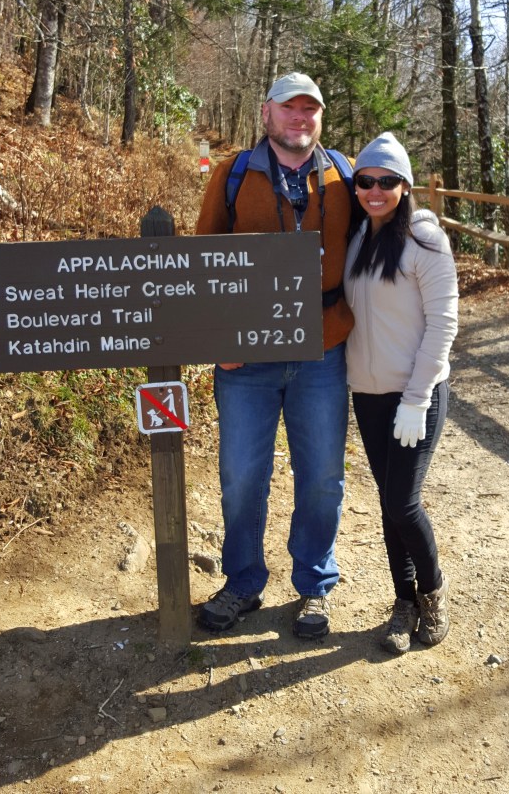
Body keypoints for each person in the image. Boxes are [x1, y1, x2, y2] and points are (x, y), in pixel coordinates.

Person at [195, 73, 353, 639]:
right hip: (247, 360)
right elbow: (202, 261)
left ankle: (313, 585)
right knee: (241, 478)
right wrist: (217, 338)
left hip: (322, 353)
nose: (300, 118)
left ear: (320, 119)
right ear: (267, 114)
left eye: (310, 109)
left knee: (322, 480)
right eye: (289, 108)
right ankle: (242, 582)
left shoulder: (344, 174)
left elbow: (382, 237)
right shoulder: (234, 174)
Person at [344, 132, 458, 654]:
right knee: (390, 505)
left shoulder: (426, 241)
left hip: (415, 395)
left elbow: (443, 325)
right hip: (368, 395)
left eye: (387, 181)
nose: (375, 189)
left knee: (401, 502)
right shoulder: (357, 238)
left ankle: (432, 594)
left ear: (404, 185)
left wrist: (416, 397)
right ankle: (403, 601)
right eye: (365, 180)